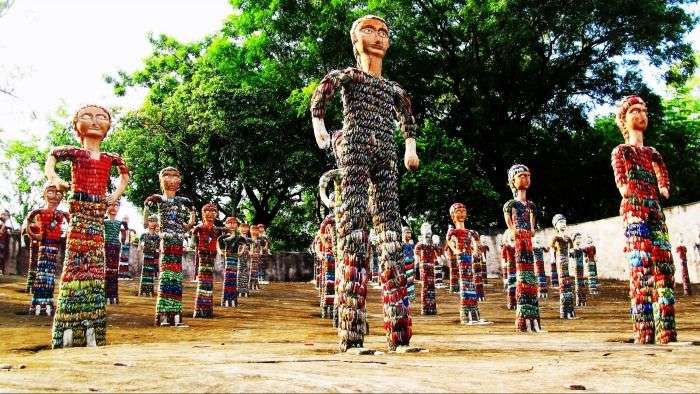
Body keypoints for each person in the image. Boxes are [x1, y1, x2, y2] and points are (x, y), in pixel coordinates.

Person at [310, 14, 419, 351]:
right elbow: (320, 97)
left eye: (384, 32)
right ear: (355, 40)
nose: (378, 37)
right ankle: (352, 336)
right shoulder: (347, 77)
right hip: (354, 149)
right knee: (353, 233)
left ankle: (399, 336)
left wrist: (410, 149)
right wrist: (321, 129)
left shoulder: (394, 89)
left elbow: (408, 120)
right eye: (369, 30)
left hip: (386, 155)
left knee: (390, 238)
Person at [46, 104, 129, 348]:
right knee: (74, 263)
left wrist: (115, 195)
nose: (95, 121)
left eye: (101, 117)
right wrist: (53, 177)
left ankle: (93, 323)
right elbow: (53, 154)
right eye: (87, 117)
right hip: (80, 213)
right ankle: (68, 324)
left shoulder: (110, 158)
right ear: (76, 126)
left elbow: (124, 173)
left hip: (97, 214)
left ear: (108, 127)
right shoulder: (75, 153)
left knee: (95, 265)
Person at [611, 95, 675, 344]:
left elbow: (662, 173)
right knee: (641, 265)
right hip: (634, 206)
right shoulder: (622, 151)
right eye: (634, 111)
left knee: (664, 264)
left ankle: (666, 329)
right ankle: (644, 329)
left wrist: (663, 185)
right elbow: (620, 175)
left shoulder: (651, 152)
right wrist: (625, 186)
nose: (640, 115)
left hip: (654, 207)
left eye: (643, 111)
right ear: (624, 120)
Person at [144, 167, 196, 327]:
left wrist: (192, 218)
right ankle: (164, 316)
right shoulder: (158, 199)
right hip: (166, 244)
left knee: (176, 279)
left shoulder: (184, 201)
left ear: (180, 181)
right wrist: (148, 212)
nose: (172, 179)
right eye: (167, 175)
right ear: (161, 180)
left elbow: (187, 226)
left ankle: (176, 316)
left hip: (178, 243)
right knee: (166, 277)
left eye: (175, 176)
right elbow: (147, 217)